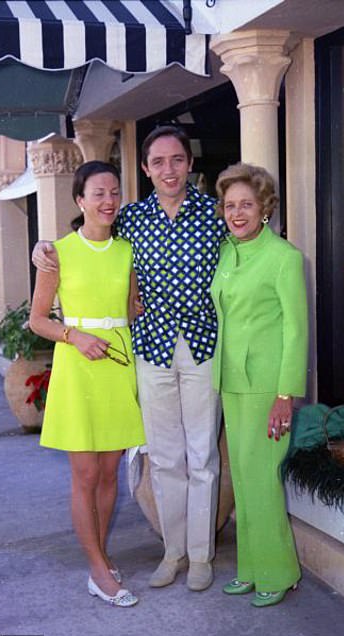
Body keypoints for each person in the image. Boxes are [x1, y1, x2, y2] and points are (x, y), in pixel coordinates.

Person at [33, 126, 227, 592]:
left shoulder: (215, 216)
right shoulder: (132, 219)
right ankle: (173, 552)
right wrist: (43, 247)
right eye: (158, 162)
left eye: (177, 159)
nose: (168, 169)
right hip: (150, 350)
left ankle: (201, 556)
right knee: (162, 457)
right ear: (146, 169)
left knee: (201, 455)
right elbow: (86, 244)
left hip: (201, 346)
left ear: (189, 164)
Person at [29, 160, 145, 608]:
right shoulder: (57, 252)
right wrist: (74, 335)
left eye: (114, 192)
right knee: (86, 473)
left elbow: (132, 307)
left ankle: (102, 556)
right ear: (80, 200)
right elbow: (39, 320)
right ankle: (97, 569)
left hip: (117, 363)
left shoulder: (127, 251)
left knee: (110, 473)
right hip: (78, 363)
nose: (109, 200)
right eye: (98, 193)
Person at [211, 163, 308, 608]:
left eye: (246, 204)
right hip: (232, 381)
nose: (237, 213)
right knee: (246, 480)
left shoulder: (283, 257)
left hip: (267, 388)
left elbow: (296, 332)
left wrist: (284, 395)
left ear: (264, 207)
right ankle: (251, 569)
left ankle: (280, 572)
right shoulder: (228, 252)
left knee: (263, 480)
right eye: (230, 205)